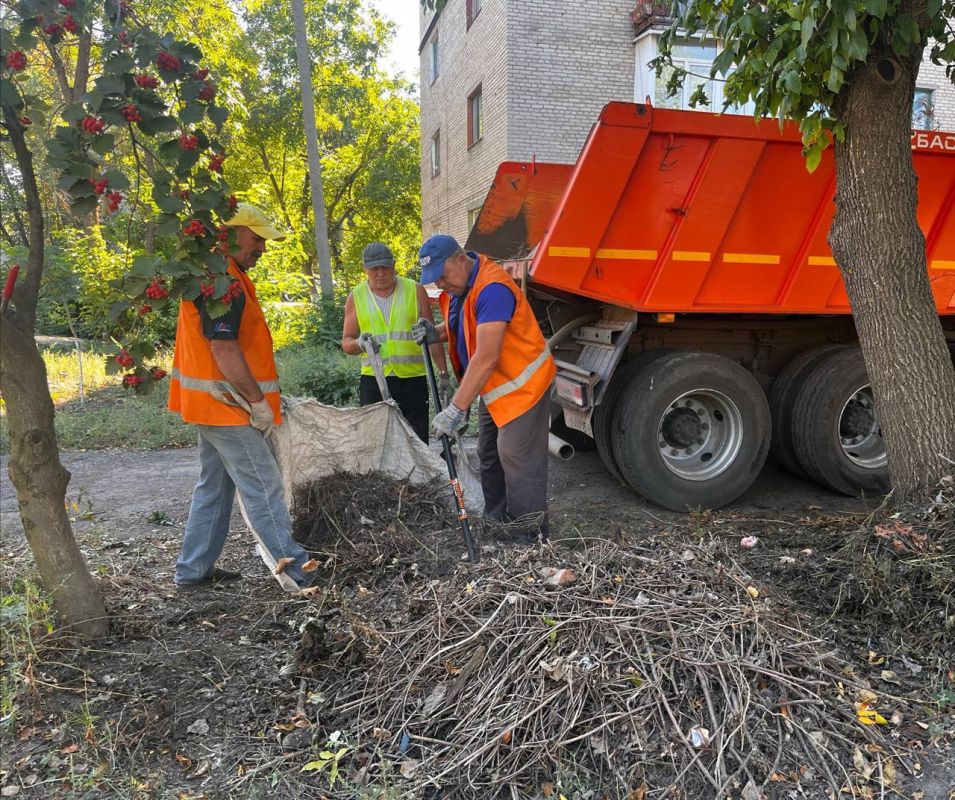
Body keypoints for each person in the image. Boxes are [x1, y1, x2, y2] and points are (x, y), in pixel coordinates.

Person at [168, 203, 313, 590]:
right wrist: (258, 403)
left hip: (213, 403)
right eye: (256, 238)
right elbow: (224, 349)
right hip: (228, 406)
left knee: (214, 486)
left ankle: (193, 570)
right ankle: (297, 570)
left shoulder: (218, 274)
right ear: (229, 235)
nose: (262, 248)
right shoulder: (222, 283)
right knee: (263, 484)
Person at [412, 235, 556, 542]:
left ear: (461, 259)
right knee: (488, 454)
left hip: (523, 385)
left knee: (516, 456)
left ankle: (529, 535)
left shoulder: (493, 289)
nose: (441, 284)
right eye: (435, 280)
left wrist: (455, 409)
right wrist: (434, 333)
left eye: (443, 275)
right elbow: (463, 328)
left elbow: (487, 354)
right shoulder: (458, 288)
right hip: (495, 385)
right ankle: (498, 520)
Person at [341, 242, 449, 442]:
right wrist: (358, 343)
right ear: (365, 269)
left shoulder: (415, 290)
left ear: (394, 265)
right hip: (374, 381)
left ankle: (418, 474)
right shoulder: (356, 297)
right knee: (376, 441)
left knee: (416, 440)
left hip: (412, 381)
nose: (380, 273)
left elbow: (432, 336)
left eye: (385, 267)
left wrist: (443, 374)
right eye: (374, 269)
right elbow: (346, 342)